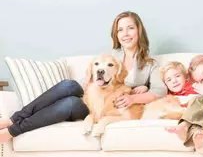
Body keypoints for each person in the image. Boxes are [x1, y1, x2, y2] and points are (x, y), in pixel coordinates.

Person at [0, 11, 167, 143]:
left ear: (139, 30)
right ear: (116, 35)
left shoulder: (150, 64)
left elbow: (160, 91)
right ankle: (14, 119)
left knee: (70, 104)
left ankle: (13, 130)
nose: (125, 33)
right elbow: (91, 80)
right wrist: (87, 81)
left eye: (130, 28)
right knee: (69, 85)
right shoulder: (110, 56)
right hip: (94, 99)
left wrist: (134, 99)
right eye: (120, 30)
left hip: (108, 108)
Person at [161, 61, 203, 149]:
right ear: (165, 84)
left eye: (177, 76)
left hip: (199, 109)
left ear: (186, 76)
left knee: (198, 111)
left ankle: (193, 136)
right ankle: (194, 138)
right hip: (185, 114)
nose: (174, 81)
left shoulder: (195, 87)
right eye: (169, 80)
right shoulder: (169, 97)